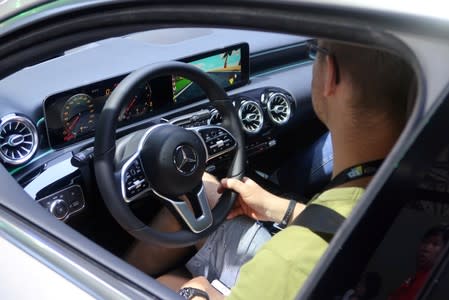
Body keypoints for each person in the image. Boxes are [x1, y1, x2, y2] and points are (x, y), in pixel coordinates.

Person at [126, 39, 415, 299]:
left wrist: (197, 293)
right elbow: (343, 230)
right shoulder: (405, 190)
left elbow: (287, 266)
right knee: (199, 190)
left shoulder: (288, 261)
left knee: (170, 281)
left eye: (316, 51)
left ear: (330, 74)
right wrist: (283, 210)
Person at [389, 224, 449, 300]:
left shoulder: (435, 283)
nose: (426, 248)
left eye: (435, 244)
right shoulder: (418, 275)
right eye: (425, 242)